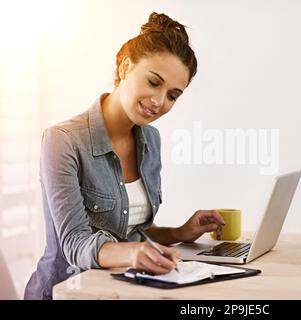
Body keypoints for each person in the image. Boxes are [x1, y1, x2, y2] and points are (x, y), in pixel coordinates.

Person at [25, 12, 225, 300]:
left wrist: (180, 232)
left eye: (172, 95)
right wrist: (134, 252)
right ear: (125, 66)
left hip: (124, 291)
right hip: (67, 292)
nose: (159, 102)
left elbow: (132, 234)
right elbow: (75, 245)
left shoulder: (150, 140)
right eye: (153, 82)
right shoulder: (63, 140)